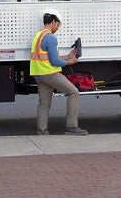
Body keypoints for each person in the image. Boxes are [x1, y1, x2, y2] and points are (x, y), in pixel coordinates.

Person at [29, 8, 87, 136]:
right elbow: (54, 62)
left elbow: (49, 57)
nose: (58, 27)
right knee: (74, 92)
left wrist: (68, 56)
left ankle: (42, 131)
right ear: (53, 22)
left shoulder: (38, 35)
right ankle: (72, 126)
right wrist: (71, 62)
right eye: (58, 24)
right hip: (50, 74)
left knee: (43, 104)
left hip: (39, 75)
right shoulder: (51, 38)